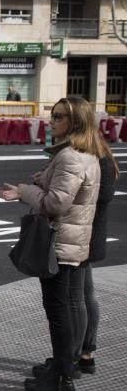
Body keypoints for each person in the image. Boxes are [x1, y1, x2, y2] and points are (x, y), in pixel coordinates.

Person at [0, 96, 100, 391]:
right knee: (66, 307)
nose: (51, 121)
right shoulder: (86, 154)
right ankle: (61, 368)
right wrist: (43, 180)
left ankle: (61, 378)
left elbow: (56, 203)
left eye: (58, 117)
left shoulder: (70, 156)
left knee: (59, 311)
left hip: (60, 241)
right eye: (52, 115)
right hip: (73, 239)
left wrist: (25, 191)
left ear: (75, 122)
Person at [78, 121, 119, 375]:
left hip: (86, 233)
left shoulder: (98, 158)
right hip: (86, 232)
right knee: (83, 293)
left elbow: (104, 195)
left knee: (81, 296)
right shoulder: (99, 155)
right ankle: (84, 351)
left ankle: (85, 351)